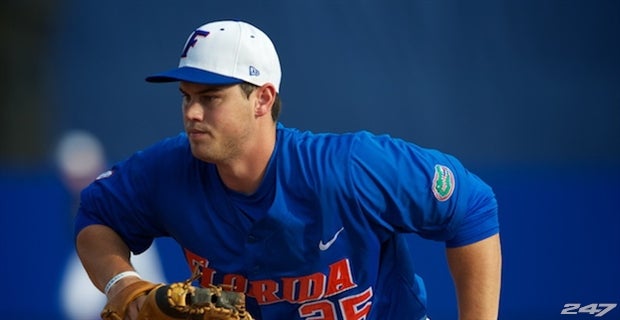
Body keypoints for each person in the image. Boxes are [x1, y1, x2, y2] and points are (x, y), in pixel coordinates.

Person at [75, 20, 502, 320]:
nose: (192, 113)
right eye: (186, 96)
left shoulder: (349, 168)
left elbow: (471, 205)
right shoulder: (167, 171)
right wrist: (123, 284)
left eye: (210, 97)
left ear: (262, 99)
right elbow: (97, 216)